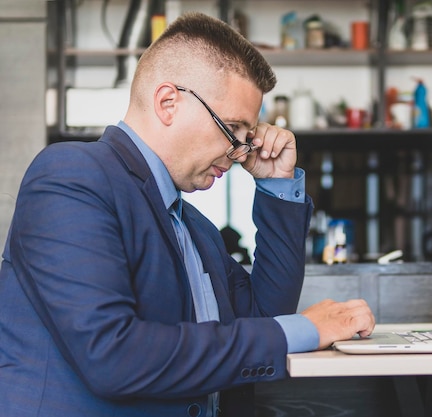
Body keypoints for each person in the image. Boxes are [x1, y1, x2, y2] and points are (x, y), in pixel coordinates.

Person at [0, 12, 375, 417]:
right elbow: (112, 356)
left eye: (247, 139)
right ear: (167, 102)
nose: (238, 155)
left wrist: (276, 184)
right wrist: (307, 328)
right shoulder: (73, 176)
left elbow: (266, 318)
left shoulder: (194, 226)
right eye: (232, 129)